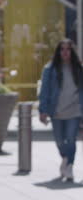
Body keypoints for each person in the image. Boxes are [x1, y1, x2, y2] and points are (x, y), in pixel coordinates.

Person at [38, 39, 83, 182]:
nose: (65, 52)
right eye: (62, 49)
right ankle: (65, 159)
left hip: (74, 110)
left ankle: (69, 166)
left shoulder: (78, 69)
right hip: (56, 111)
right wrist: (43, 110)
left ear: (72, 51)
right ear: (58, 52)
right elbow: (44, 91)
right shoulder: (50, 69)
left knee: (70, 139)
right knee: (59, 141)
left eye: (68, 49)